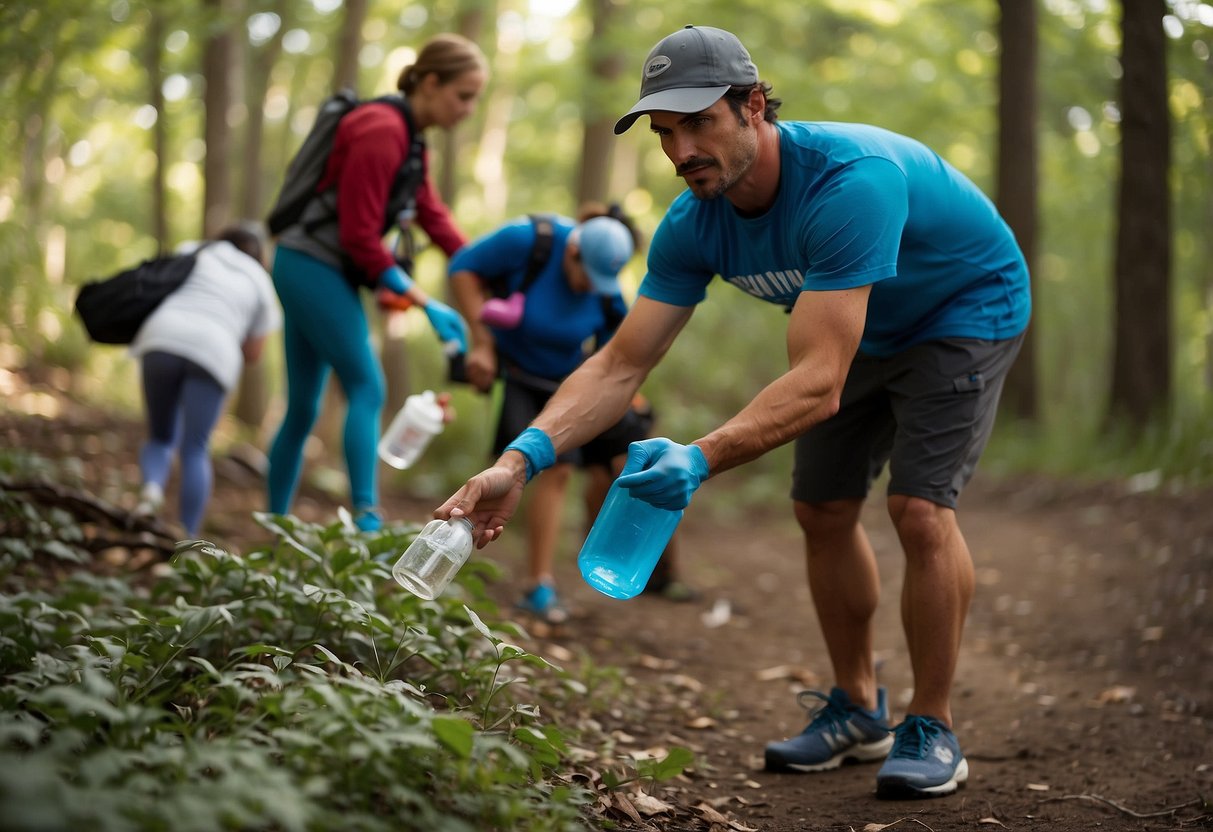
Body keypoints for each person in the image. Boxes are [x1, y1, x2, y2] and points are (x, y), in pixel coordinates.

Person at [435, 25, 1030, 801]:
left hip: (962, 308)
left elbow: (819, 381)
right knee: (820, 508)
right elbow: (619, 364)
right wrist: (519, 460)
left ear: (753, 106)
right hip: (856, 330)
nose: (681, 149)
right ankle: (856, 708)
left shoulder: (850, 180)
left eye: (698, 123)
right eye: (665, 133)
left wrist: (700, 455)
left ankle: (933, 722)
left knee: (918, 508)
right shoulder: (694, 224)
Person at [266, 34, 486, 532]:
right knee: (367, 385)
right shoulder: (381, 130)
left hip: (319, 269)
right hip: (309, 265)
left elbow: (432, 215)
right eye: (463, 95)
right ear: (430, 83)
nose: (469, 109)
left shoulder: (411, 141)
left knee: (303, 405)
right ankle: (367, 522)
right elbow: (361, 239)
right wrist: (426, 303)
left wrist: (487, 266)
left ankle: (272, 531)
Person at [447, 205, 695, 624]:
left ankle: (651, 571)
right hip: (523, 375)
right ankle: (539, 585)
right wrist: (482, 341)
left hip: (574, 380)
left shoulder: (603, 281)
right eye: (585, 276)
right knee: (554, 469)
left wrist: (631, 393)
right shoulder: (531, 240)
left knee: (631, 456)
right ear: (573, 250)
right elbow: (463, 267)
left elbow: (619, 345)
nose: (589, 288)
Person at [130, 224, 282, 537]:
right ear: (259, 254)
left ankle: (151, 494)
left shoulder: (193, 249)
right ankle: (186, 540)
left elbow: (157, 287)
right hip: (214, 351)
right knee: (195, 448)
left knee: (160, 435)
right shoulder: (260, 280)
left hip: (161, 338)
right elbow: (253, 352)